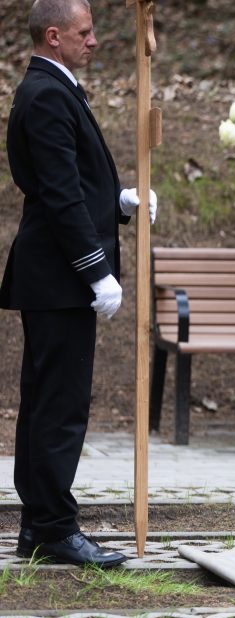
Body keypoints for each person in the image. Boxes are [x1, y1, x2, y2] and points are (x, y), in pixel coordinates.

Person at [1, 0, 157, 566]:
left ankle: (40, 524)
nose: (93, 41)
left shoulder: (53, 87)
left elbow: (73, 182)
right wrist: (96, 269)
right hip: (60, 276)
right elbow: (59, 195)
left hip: (56, 275)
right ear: (53, 35)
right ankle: (52, 527)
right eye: (83, 33)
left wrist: (118, 202)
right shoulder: (45, 94)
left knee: (51, 402)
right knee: (58, 407)